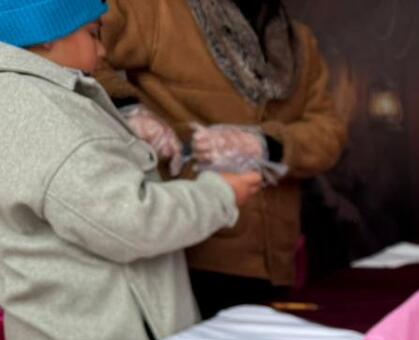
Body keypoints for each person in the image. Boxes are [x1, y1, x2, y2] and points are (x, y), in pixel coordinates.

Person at [0, 0, 262, 340]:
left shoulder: (28, 98)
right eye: (94, 33)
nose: (104, 51)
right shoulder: (46, 116)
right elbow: (133, 223)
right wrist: (221, 193)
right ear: (48, 36)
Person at [95, 0, 348, 318]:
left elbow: (329, 132)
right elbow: (72, 52)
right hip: (189, 251)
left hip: (275, 256)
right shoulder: (158, 10)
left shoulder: (298, 39)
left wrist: (265, 145)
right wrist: (129, 111)